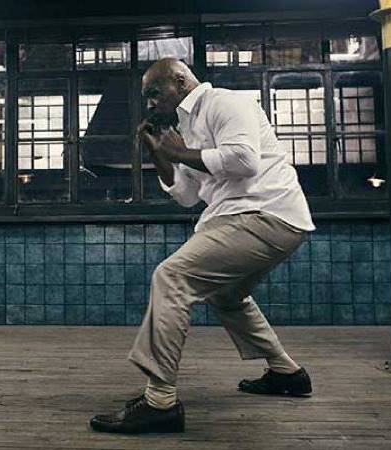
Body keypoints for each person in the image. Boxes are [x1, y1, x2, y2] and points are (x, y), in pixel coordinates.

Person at [90, 58, 315, 434]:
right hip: (253, 218)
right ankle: (287, 373)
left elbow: (244, 160)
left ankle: (159, 402)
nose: (150, 103)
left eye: (154, 93)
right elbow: (187, 195)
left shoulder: (226, 102)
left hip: (264, 213)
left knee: (171, 277)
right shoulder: (186, 129)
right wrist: (159, 152)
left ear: (180, 81)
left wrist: (178, 153)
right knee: (227, 296)